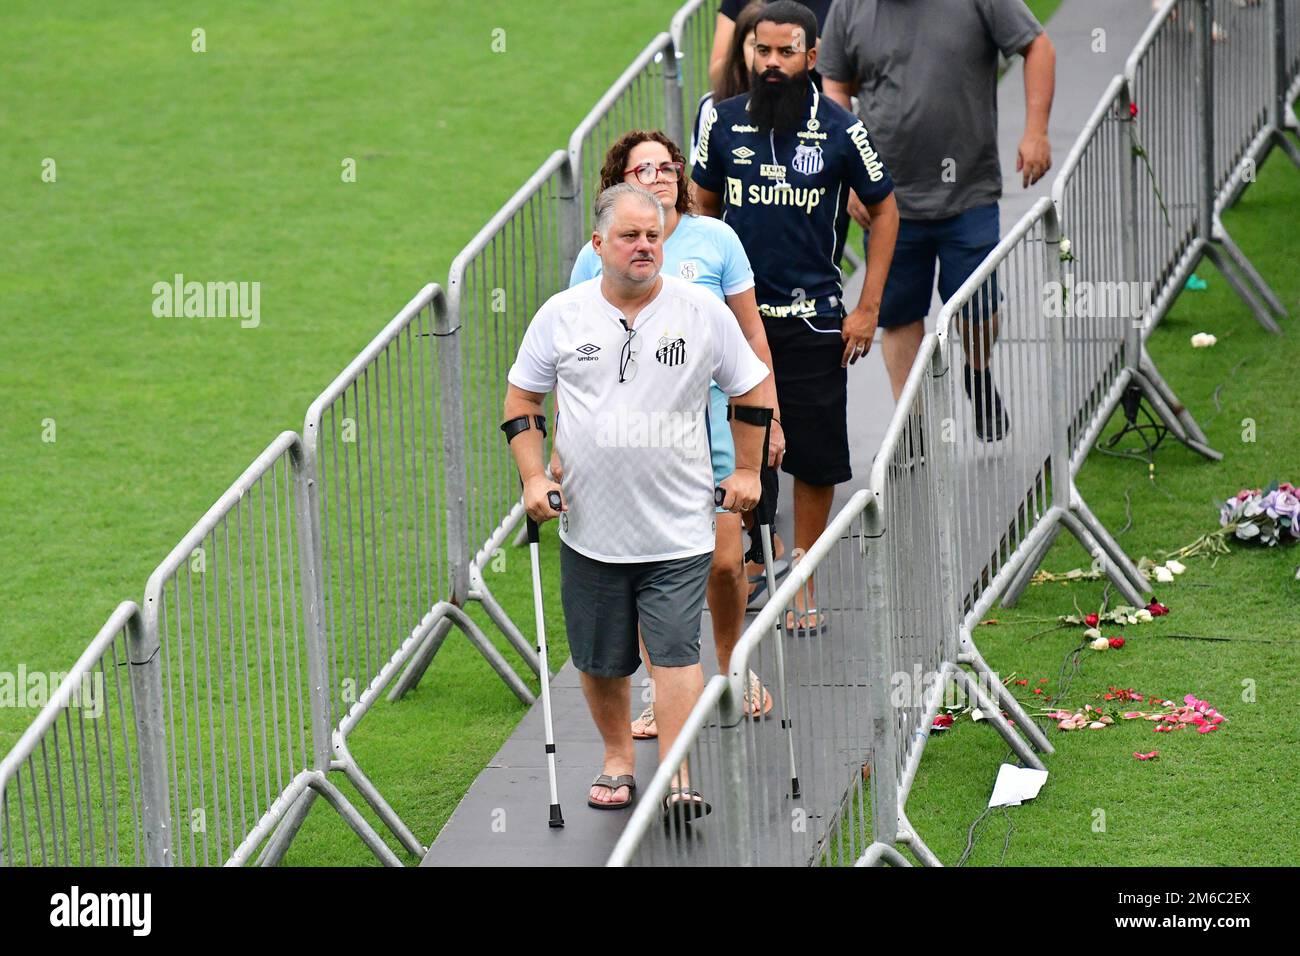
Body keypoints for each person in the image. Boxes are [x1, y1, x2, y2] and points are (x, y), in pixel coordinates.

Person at [504, 183, 773, 815]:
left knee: (677, 653)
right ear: (599, 244)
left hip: (679, 525)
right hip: (590, 527)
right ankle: (618, 759)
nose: (644, 246)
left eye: (653, 235)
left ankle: (677, 776)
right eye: (630, 236)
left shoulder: (700, 312)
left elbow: (754, 389)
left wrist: (750, 473)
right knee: (600, 660)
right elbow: (522, 401)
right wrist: (533, 477)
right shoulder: (562, 315)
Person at [562, 130, 784, 740]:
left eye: (666, 167)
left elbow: (751, 337)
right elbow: (572, 351)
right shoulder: (598, 254)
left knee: (723, 561)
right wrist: (562, 443)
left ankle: (734, 666)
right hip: (628, 441)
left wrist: (773, 422)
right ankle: (660, 688)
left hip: (714, 425)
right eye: (643, 170)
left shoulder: (716, 238)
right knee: (648, 561)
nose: (658, 177)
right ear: (621, 182)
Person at [691, 1, 898, 635]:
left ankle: (802, 584)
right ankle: (755, 564)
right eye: (762, 51)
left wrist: (867, 308)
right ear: (746, 54)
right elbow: (701, 209)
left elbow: (886, 211)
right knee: (745, 453)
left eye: (786, 52)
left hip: (812, 324)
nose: (772, 63)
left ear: (811, 57)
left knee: (812, 457)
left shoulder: (841, 129)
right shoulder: (719, 123)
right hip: (734, 324)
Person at [819, 0, 1056, 437]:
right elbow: (834, 82)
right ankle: (913, 431)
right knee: (899, 314)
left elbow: (1037, 45)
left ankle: (978, 370)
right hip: (886, 199)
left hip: (968, 190)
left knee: (978, 306)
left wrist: (1036, 130)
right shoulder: (850, 7)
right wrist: (847, 171)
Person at [707, 0, 834, 95]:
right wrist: (749, 48)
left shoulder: (840, 5)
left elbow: (847, 76)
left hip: (815, 106)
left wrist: (808, 44)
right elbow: (718, 74)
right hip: (750, 103)